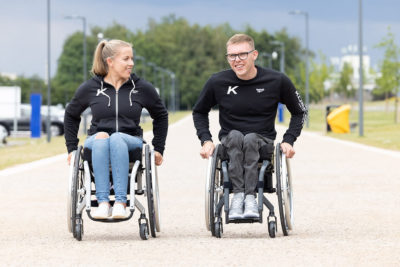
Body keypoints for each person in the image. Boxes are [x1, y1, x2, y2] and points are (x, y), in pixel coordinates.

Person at [192, 33, 306, 220]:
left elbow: (300, 111)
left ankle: (250, 197)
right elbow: (199, 111)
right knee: (237, 136)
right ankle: (238, 196)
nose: (237, 60)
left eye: (242, 54)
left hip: (262, 139)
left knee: (251, 138)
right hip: (231, 139)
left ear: (254, 55)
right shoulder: (217, 82)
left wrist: (289, 140)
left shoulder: (276, 80)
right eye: (232, 56)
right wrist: (206, 140)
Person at [64, 39, 168, 219]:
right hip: (97, 142)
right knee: (102, 136)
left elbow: (161, 115)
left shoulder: (141, 87)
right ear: (110, 62)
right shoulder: (91, 87)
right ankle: (103, 203)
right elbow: (71, 115)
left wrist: (158, 148)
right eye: (126, 59)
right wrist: (72, 148)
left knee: (117, 137)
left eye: (132, 59)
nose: (131, 63)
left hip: (130, 141)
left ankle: (120, 203)